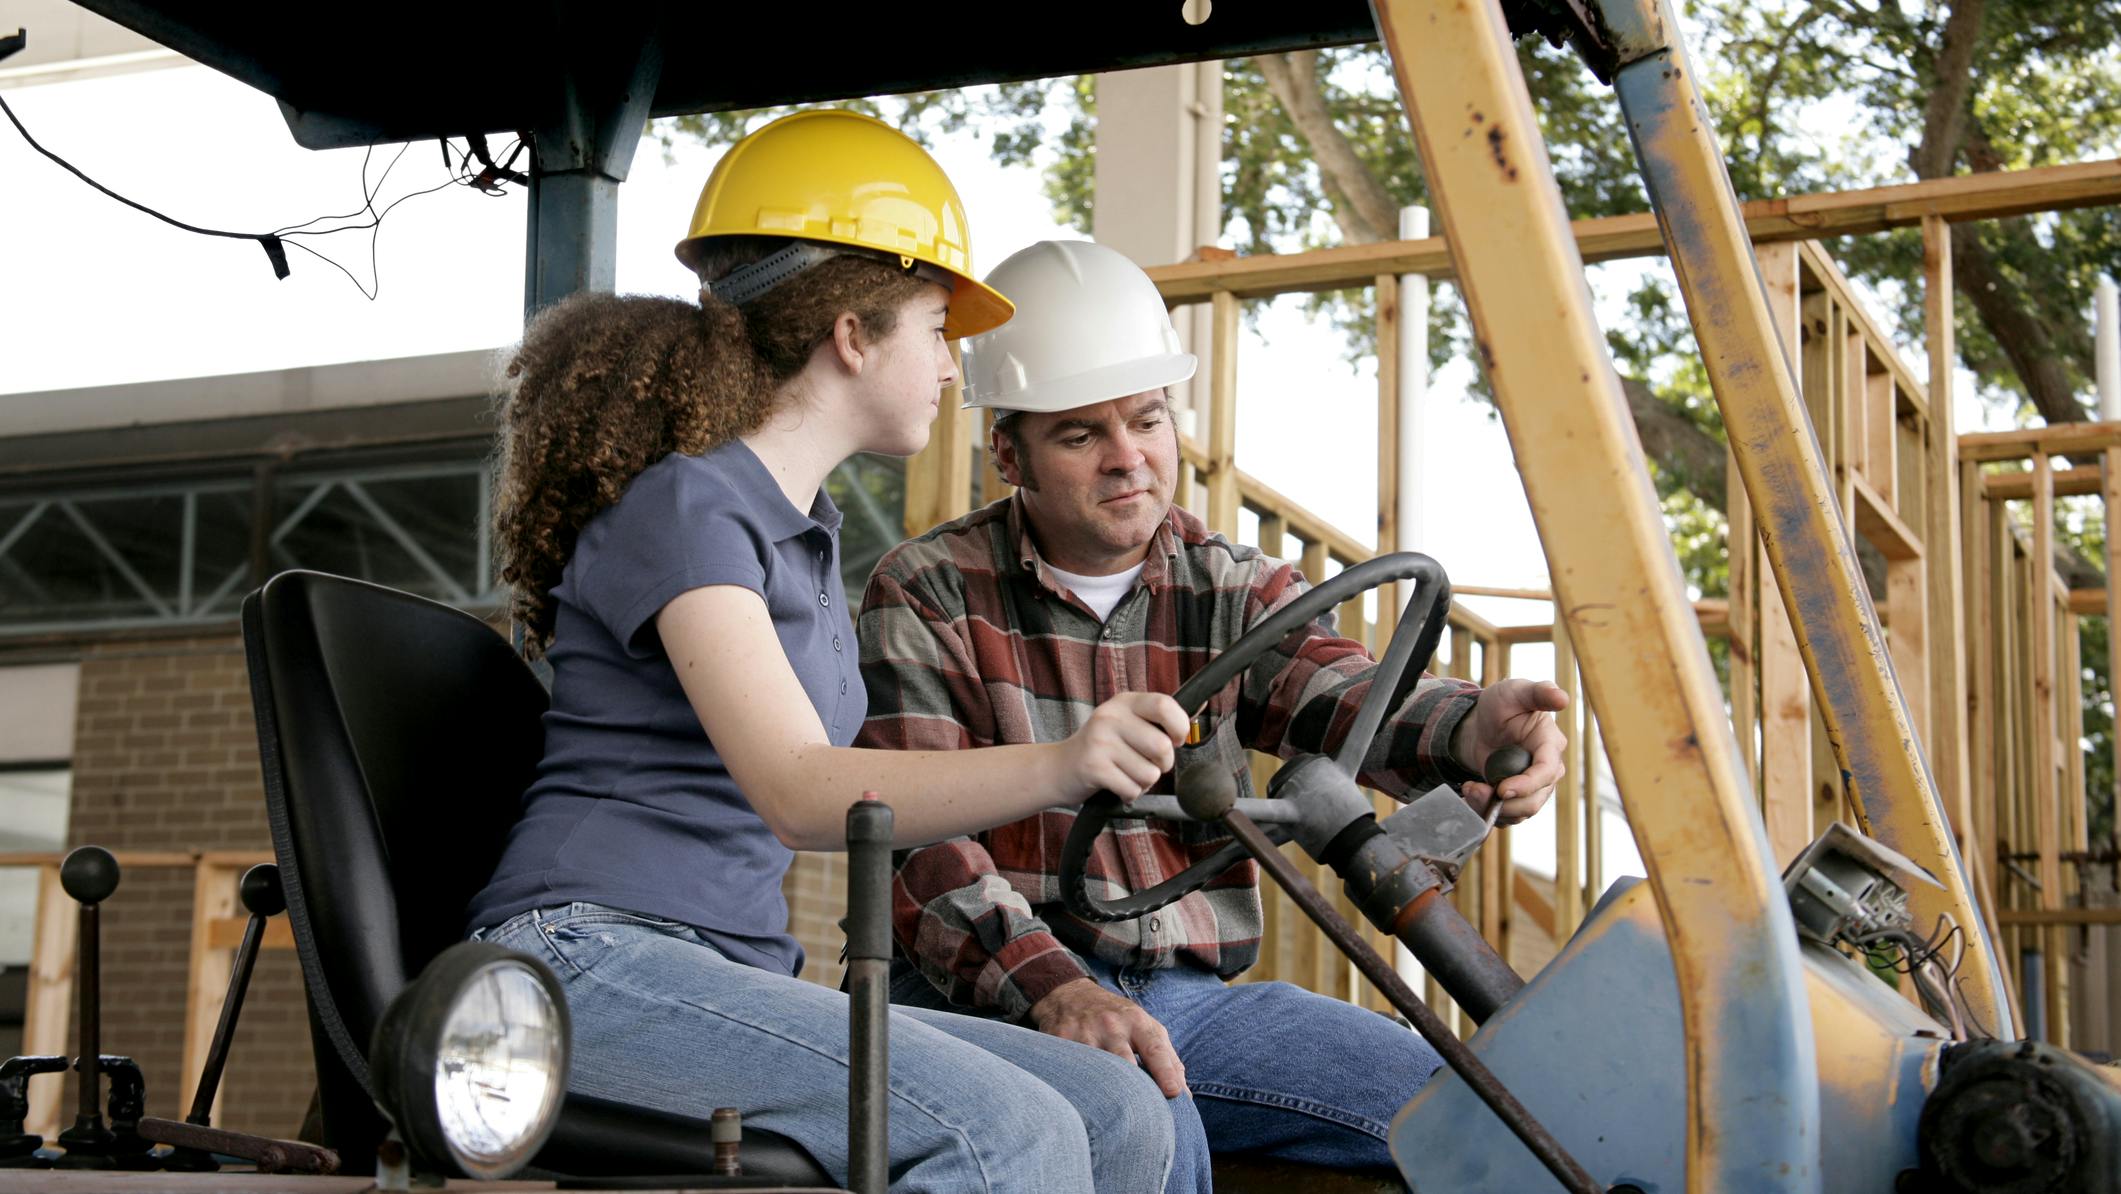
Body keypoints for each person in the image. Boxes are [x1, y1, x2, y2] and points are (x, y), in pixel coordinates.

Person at [465, 116, 1204, 1193]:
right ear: (854, 336)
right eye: (935, 329)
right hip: (585, 962)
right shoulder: (689, 507)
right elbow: (808, 795)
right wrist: (1063, 760)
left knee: (1118, 1114)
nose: (955, 365)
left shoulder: (799, 535)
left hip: (719, 966)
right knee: (1010, 1136)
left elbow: (865, 780)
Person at [857, 238, 1570, 1178]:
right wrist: (1058, 990)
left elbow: (1340, 691)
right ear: (1006, 451)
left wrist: (1474, 729)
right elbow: (920, 846)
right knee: (1149, 1119)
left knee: (1485, 1114)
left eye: (1146, 421)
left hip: (1194, 996)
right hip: (989, 995)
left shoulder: (1227, 585)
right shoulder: (927, 592)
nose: (1128, 460)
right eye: (1080, 435)